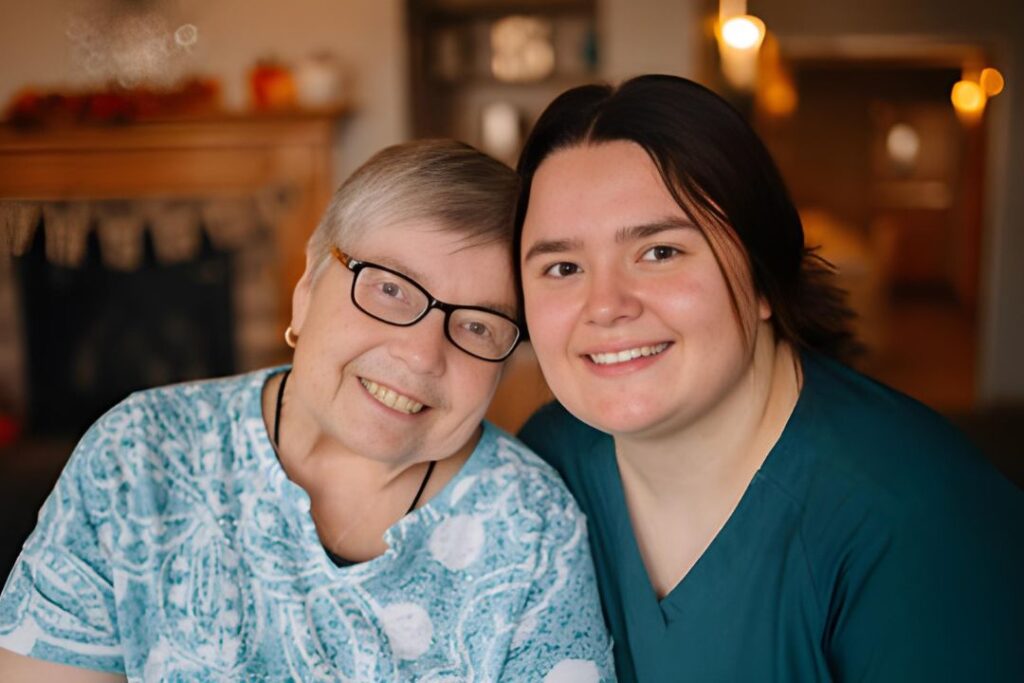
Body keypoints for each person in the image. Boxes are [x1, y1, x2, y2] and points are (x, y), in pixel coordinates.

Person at [0, 139, 614, 681]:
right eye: (390, 288)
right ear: (305, 293)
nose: (422, 355)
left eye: (478, 326)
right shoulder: (140, 452)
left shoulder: (533, 528)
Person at [514, 74, 1023, 682]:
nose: (606, 305)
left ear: (762, 276)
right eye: (563, 266)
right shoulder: (547, 465)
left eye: (659, 253)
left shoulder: (921, 524)